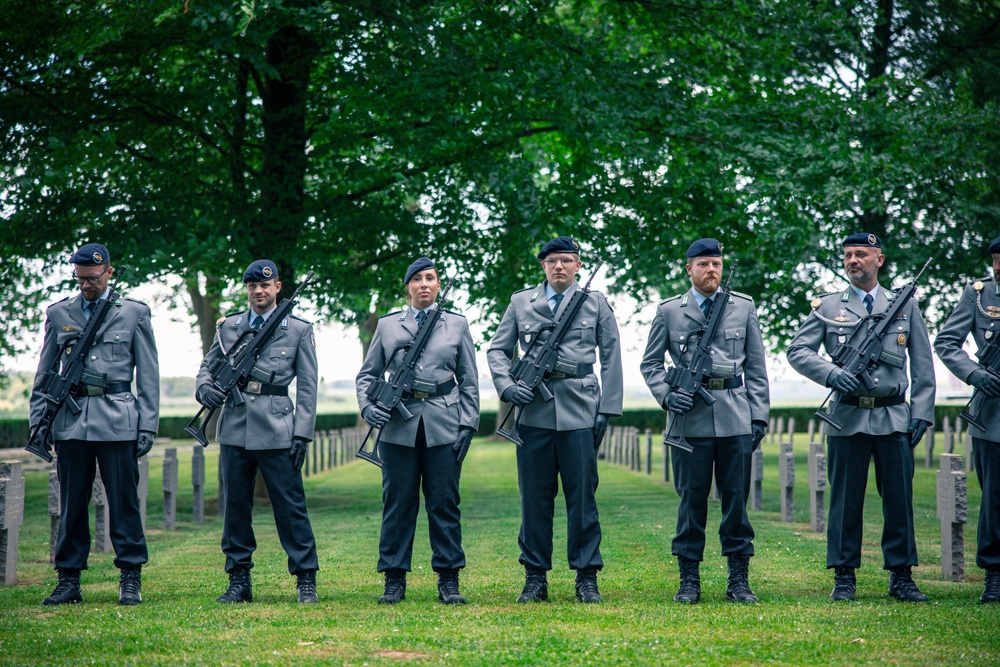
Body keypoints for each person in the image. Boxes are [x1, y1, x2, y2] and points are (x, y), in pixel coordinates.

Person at [787, 232, 935, 602]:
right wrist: (830, 373)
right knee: (844, 502)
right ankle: (843, 577)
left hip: (893, 417)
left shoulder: (904, 305)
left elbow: (922, 364)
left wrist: (922, 412)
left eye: (861, 255)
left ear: (879, 260)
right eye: (848, 255)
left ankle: (901, 576)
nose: (853, 261)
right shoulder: (827, 305)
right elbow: (798, 350)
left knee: (899, 501)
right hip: (846, 417)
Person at [488, 236, 623, 604]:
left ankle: (586, 577)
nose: (559, 266)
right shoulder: (521, 302)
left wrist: (607, 409)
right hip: (534, 414)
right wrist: (506, 386)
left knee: (583, 499)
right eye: (552, 261)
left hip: (580, 410)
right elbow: (498, 350)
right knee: (535, 499)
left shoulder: (595, 303)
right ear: (543, 266)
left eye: (566, 260)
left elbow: (611, 355)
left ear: (578, 265)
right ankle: (535, 578)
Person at [639, 238, 769, 604]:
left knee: (736, 503)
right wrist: (667, 395)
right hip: (689, 421)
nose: (711, 270)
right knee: (691, 502)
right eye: (703, 264)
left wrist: (758, 415)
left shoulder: (742, 307)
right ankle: (688, 580)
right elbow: (650, 364)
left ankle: (738, 580)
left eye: (716, 264)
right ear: (689, 269)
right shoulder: (669, 312)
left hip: (735, 417)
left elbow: (756, 367)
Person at [29, 243, 159, 606]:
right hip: (71, 422)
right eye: (81, 279)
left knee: (124, 503)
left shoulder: (134, 313)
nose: (87, 285)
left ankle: (130, 577)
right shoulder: (59, 314)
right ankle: (68, 580)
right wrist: (39, 423)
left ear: (109, 272)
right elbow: (45, 374)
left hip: (119, 419)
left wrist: (147, 425)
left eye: (94, 278)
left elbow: (148, 374)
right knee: (72, 505)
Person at [356, 257, 480, 605]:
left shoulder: (456, 324)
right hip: (398, 427)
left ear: (438, 285)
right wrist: (368, 408)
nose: (424, 284)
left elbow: (469, 379)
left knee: (444, 504)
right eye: (417, 280)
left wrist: (468, 423)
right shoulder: (389, 325)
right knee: (398, 504)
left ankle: (449, 580)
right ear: (407, 287)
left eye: (431, 278)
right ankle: (394, 579)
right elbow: (368, 375)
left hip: (444, 423)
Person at [195, 259, 319, 604]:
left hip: (278, 428)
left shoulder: (298, 329)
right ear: (247, 289)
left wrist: (302, 434)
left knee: (291, 508)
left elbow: (308, 388)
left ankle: (305, 578)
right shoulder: (230, 326)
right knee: (235, 508)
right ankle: (239, 580)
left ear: (277, 287)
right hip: (234, 427)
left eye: (265, 285)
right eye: (252, 286)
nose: (259, 291)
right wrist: (204, 388)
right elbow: (208, 366)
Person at [933, 235, 1000, 603]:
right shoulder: (978, 295)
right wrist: (975, 375)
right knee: (995, 499)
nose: (999, 267)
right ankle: (994, 573)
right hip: (994, 416)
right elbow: (946, 342)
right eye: (995, 259)